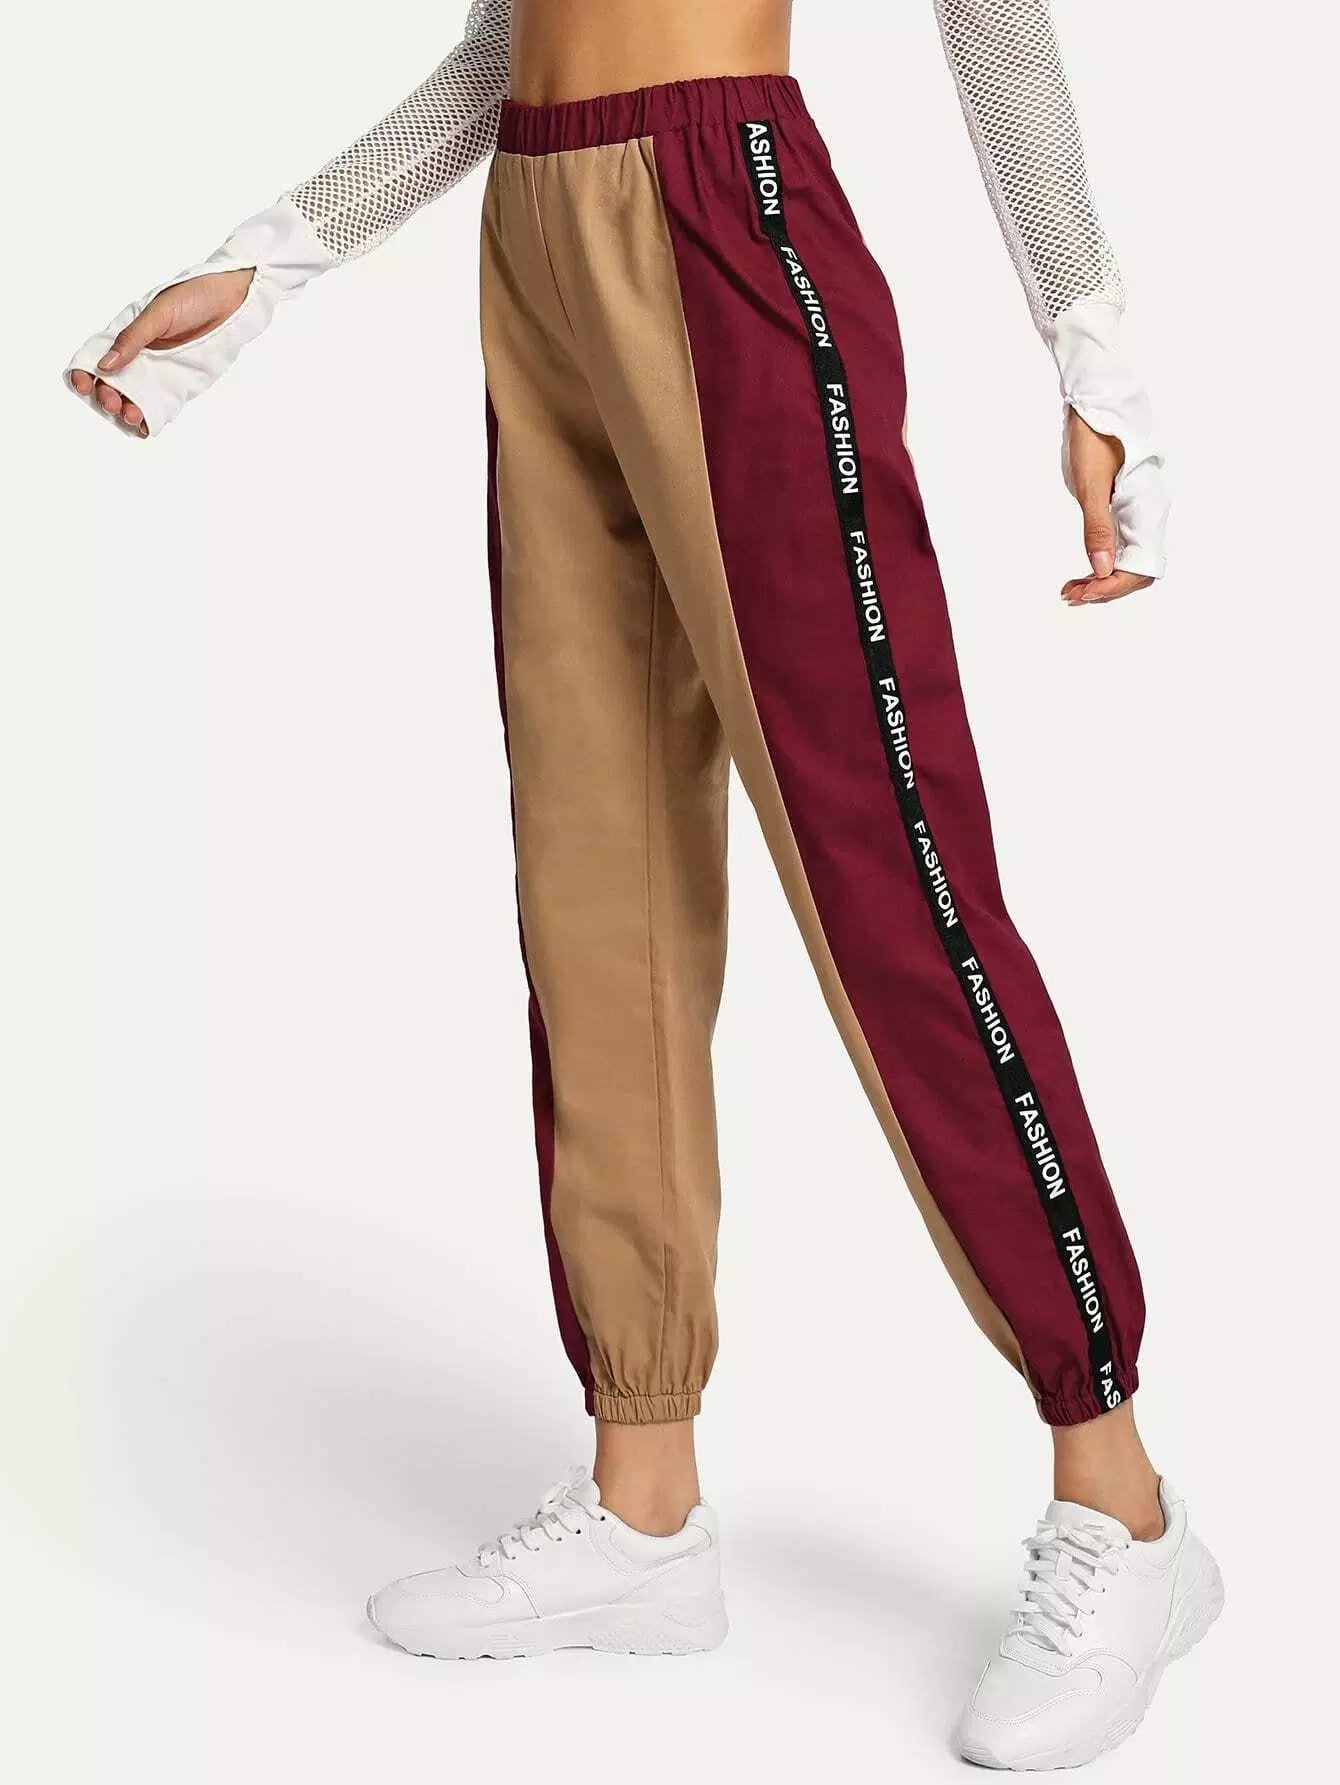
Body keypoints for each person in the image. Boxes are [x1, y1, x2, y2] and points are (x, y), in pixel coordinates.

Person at [64, 0, 1222, 1768]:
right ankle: (643, 1495)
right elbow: (507, 46)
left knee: (884, 871)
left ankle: (1122, 1500)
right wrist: (271, 257)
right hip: (534, 229)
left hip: (727, 208)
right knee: (593, 876)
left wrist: (1092, 348)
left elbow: (990, 17)